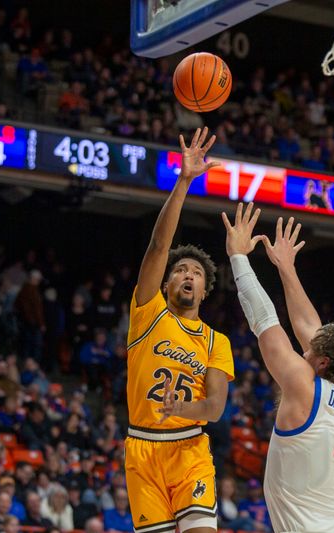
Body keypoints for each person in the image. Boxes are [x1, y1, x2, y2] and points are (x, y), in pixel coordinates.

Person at [222, 205, 334, 532]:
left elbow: (265, 323)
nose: (307, 347)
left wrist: (238, 258)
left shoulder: (307, 388)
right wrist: (286, 268)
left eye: (313, 350)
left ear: (323, 362)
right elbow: (311, 328)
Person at [124, 127, 234, 533]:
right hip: (142, 448)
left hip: (190, 449)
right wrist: (184, 181)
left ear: (205, 291)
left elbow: (215, 409)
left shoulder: (214, 342)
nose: (188, 274)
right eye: (181, 270)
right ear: (166, 283)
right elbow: (158, 245)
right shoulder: (147, 312)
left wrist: (180, 410)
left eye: (197, 273)